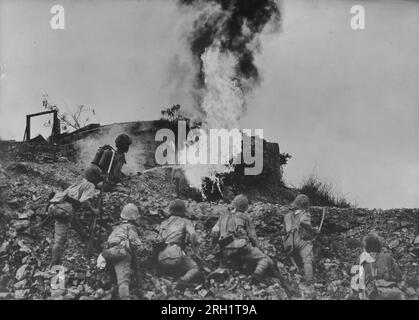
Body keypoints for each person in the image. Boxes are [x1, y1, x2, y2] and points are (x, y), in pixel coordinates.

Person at [211, 194, 273, 283]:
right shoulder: (245, 217)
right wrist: (259, 248)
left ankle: (225, 267)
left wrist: (215, 247)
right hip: (241, 249)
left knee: (229, 261)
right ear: (245, 207)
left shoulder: (223, 216)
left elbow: (214, 232)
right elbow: (253, 237)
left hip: (224, 249)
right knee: (265, 259)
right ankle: (256, 275)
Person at [48, 179, 100, 267]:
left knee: (72, 220)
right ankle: (54, 261)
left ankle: (83, 235)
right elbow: (85, 201)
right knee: (60, 239)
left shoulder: (78, 183)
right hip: (65, 211)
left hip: (53, 207)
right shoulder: (90, 185)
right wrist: (94, 210)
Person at [102, 203, 143, 300]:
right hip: (120, 252)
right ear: (133, 217)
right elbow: (135, 243)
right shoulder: (130, 227)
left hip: (107, 253)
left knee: (114, 281)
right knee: (123, 282)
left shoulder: (116, 228)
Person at [156, 199, 201, 288]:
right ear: (183, 211)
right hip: (175, 255)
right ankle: (181, 281)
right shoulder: (185, 221)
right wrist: (196, 253)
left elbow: (158, 240)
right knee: (195, 268)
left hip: (161, 257)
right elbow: (193, 235)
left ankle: (165, 277)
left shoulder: (163, 223)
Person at [358, 233, 404, 300]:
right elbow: (398, 275)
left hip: (375, 294)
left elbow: (360, 282)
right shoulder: (388, 258)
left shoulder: (364, 261)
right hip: (392, 293)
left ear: (366, 246)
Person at [282, 194, 316, 284]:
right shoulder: (305, 214)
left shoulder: (287, 216)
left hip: (290, 241)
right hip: (301, 239)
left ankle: (296, 268)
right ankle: (309, 278)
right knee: (307, 257)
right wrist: (313, 230)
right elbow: (304, 222)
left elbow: (284, 230)